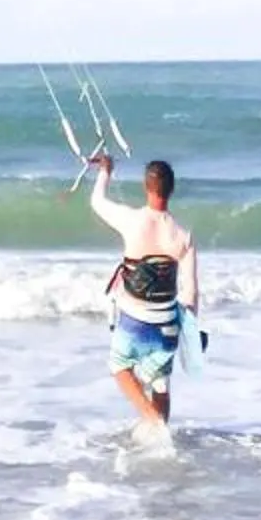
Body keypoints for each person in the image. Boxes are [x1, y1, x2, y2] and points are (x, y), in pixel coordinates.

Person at [85, 150, 200, 426]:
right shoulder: (183, 236)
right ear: (171, 190)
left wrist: (105, 172)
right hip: (167, 325)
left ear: (146, 187)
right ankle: (160, 439)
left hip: (134, 320)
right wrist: (191, 333)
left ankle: (153, 423)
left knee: (119, 365)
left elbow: (97, 201)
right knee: (161, 384)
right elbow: (191, 292)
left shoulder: (131, 220)